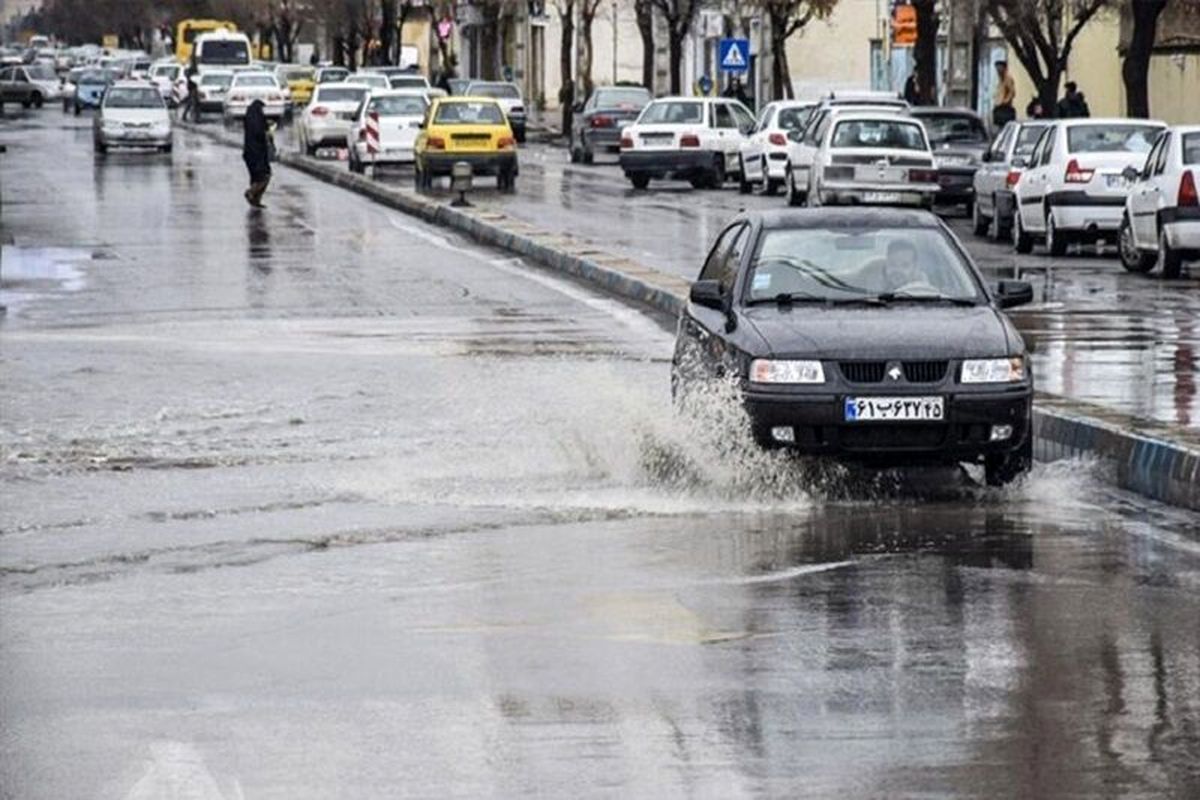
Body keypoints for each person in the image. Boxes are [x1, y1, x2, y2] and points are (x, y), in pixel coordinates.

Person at [242, 100, 272, 208]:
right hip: (257, 153)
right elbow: (260, 134)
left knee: (255, 177)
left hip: (249, 153)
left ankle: (256, 200)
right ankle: (251, 192)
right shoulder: (257, 121)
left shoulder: (249, 118)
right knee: (265, 175)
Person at [993, 60, 1016, 128]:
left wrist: (1005, 101)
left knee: (1004, 127)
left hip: (1005, 108)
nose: (997, 70)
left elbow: (1012, 92)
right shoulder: (1000, 79)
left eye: (999, 68)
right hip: (999, 107)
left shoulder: (1008, 78)